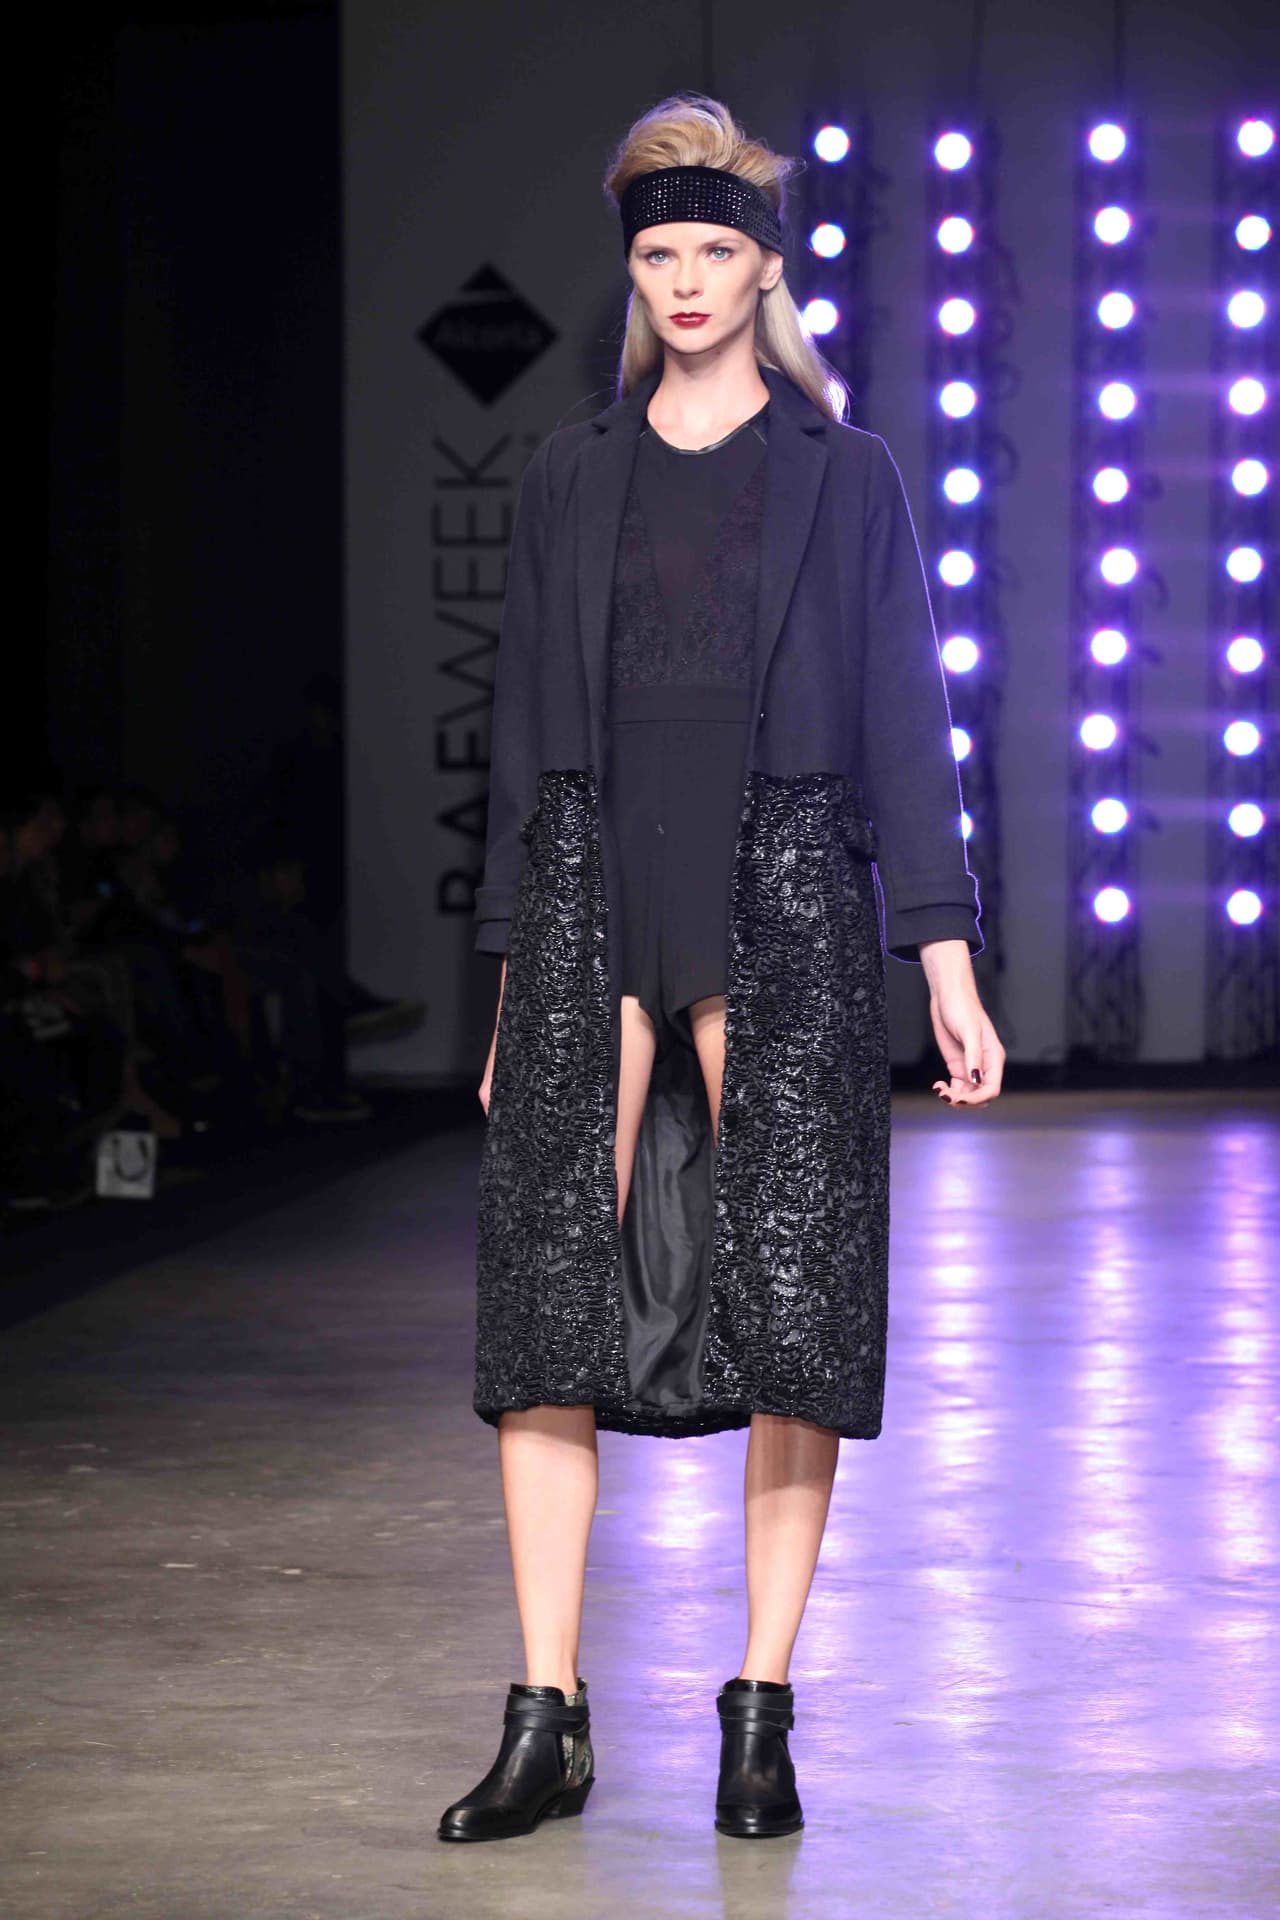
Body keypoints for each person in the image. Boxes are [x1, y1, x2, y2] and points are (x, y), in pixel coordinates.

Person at [441, 92, 1006, 1845]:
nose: (685, 280)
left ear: (766, 269)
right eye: (658, 254)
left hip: (786, 878)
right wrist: (511, 971)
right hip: (597, 873)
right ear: (635, 271)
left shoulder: (847, 472)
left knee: (795, 1300)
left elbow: (907, 713)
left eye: (713, 250)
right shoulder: (569, 472)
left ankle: (759, 1711)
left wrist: (944, 950)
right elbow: (521, 732)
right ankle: (547, 1715)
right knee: (547, 1291)